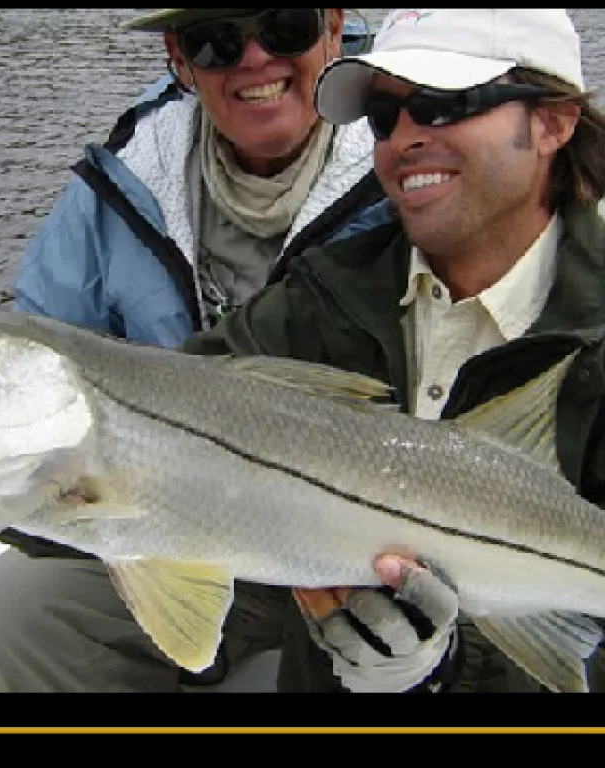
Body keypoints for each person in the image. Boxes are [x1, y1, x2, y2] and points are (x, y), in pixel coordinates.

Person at [0, 8, 390, 692]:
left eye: (287, 24)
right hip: (179, 522)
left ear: (333, 25)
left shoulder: (415, 149)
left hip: (377, 540)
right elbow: (31, 377)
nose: (255, 59)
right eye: (217, 40)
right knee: (19, 612)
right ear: (179, 57)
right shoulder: (121, 182)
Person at [180, 7, 605, 692]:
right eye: (385, 115)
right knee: (30, 603)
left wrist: (445, 670)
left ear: (553, 122)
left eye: (444, 105)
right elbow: (161, 406)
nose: (403, 139)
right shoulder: (324, 294)